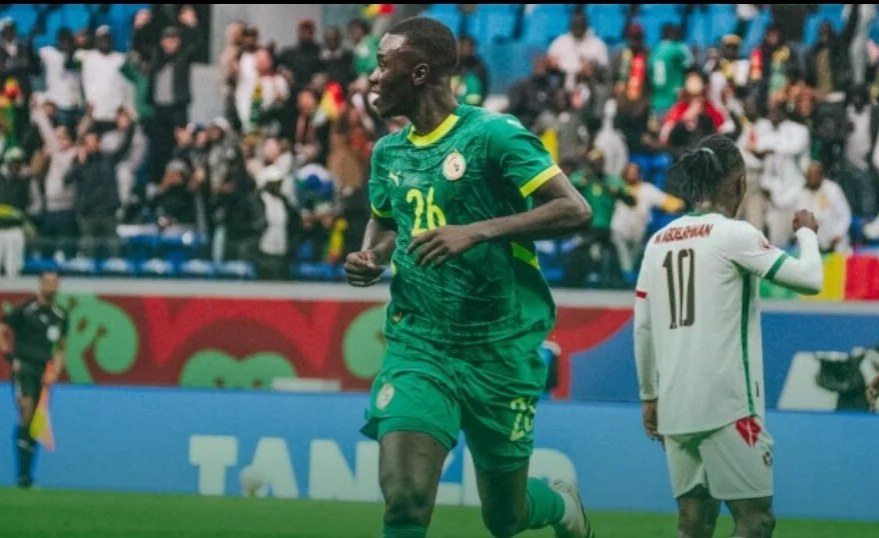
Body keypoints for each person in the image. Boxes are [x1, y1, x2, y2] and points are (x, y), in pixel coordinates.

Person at [344, 17, 595, 538]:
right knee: (405, 500)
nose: (372, 76)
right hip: (420, 344)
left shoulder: (492, 136)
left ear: (418, 73)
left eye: (383, 63)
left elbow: (575, 210)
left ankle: (559, 505)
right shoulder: (388, 152)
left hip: (498, 350)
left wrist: (478, 231)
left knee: (505, 518)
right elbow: (387, 221)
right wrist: (373, 255)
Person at [633, 135, 824, 538]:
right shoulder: (734, 234)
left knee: (693, 525)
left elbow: (643, 326)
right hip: (728, 405)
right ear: (740, 183)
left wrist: (650, 396)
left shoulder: (657, 242)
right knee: (755, 521)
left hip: (676, 405)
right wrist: (807, 234)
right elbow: (810, 279)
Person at [0, 271, 68, 488]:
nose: (51, 286)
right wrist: (7, 352)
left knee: (35, 422)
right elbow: (3, 327)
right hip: (24, 366)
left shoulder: (61, 314)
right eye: (47, 282)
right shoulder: (25, 308)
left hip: (43, 370)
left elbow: (61, 347)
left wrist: (55, 371)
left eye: (54, 282)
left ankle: (26, 476)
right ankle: (22, 474)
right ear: (40, 284)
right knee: (25, 408)